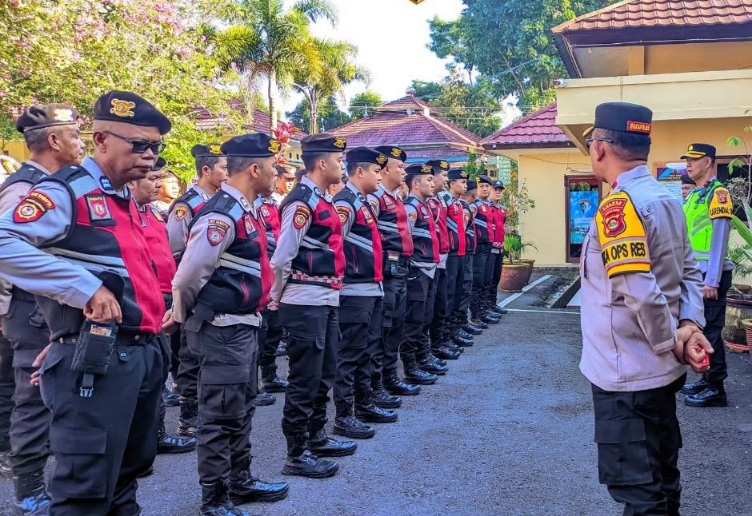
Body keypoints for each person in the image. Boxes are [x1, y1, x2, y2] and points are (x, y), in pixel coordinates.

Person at [0, 90, 170, 515]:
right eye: (140, 145)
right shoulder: (66, 192)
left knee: (126, 478)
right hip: (99, 361)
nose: (150, 156)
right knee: (85, 492)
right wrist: (83, 290)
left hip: (139, 353)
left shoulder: (126, 196)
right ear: (100, 140)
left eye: (156, 146)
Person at [580, 101, 713, 516]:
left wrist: (670, 341)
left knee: (639, 492)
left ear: (600, 148)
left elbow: (639, 289)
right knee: (662, 476)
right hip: (659, 372)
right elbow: (688, 269)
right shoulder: (667, 198)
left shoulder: (619, 207)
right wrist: (689, 325)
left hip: (628, 375)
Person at [172, 133, 289, 515]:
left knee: (241, 407)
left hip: (243, 325)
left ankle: (240, 480)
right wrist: (182, 315)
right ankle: (215, 496)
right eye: (273, 167)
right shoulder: (222, 214)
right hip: (222, 328)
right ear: (254, 169)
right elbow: (188, 275)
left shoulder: (245, 208)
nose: (277, 174)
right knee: (220, 414)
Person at [0, 103, 84, 514]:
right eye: (74, 135)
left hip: (47, 306)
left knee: (52, 392)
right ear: (53, 140)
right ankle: (29, 487)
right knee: (33, 395)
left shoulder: (58, 185)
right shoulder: (24, 189)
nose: (81, 143)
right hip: (27, 309)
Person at [270, 133, 355, 479]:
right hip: (304, 300)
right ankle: (296, 452)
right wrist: (275, 297)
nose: (342, 166)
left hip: (325, 298)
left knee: (325, 372)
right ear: (322, 163)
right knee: (305, 379)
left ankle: (316, 436)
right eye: (338, 161)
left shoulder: (319, 198)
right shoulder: (301, 202)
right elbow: (282, 257)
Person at [127, 157, 197, 458]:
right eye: (151, 178)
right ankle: (138, 443)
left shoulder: (154, 214)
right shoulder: (125, 213)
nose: (157, 183)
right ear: (132, 181)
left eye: (159, 178)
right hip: (141, 303)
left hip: (162, 300)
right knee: (141, 378)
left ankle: (155, 435)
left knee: (159, 371)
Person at [332, 147, 395, 439]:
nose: (379, 176)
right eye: (374, 171)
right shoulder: (345, 203)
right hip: (354, 291)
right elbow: (335, 245)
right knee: (350, 354)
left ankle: (364, 402)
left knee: (367, 349)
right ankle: (344, 415)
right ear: (359, 172)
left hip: (371, 288)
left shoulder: (362, 201)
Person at [166, 143, 228, 438]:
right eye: (223, 169)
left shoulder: (222, 202)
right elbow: (175, 252)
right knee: (189, 355)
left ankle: (207, 410)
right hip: (194, 288)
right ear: (206, 170)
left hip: (215, 290)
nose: (228, 174)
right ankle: (188, 415)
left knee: (208, 355)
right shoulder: (187, 206)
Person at [680, 143, 735, 407]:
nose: (689, 164)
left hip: (709, 279)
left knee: (711, 331)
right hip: (694, 276)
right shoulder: (695, 195)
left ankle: (716, 388)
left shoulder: (718, 193)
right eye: (687, 160)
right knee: (697, 330)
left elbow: (720, 239)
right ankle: (704, 378)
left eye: (694, 159)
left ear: (709, 162)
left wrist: (711, 280)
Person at [369, 145, 420, 399]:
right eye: (399, 167)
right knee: (384, 329)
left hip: (400, 270)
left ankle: (390, 378)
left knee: (396, 326)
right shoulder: (375, 198)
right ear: (385, 169)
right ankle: (377, 385)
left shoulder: (395, 196)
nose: (403, 171)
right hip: (386, 273)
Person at [400, 163, 445, 384]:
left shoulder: (425, 206)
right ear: (415, 183)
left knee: (425, 318)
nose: (433, 182)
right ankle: (411, 365)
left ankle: (422, 357)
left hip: (429, 269)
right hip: (417, 271)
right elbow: (406, 241)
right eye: (428, 180)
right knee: (414, 320)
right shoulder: (411, 207)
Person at [426, 160, 462, 361]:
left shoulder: (439, 200)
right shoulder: (429, 202)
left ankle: (442, 341)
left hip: (443, 256)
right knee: (435, 305)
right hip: (429, 260)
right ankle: (434, 346)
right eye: (444, 176)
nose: (446, 180)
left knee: (444, 301)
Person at [443, 170, 475, 348]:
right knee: (449, 297)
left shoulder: (457, 204)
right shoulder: (445, 202)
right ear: (452, 184)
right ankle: (446, 335)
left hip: (462, 253)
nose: (465, 186)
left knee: (458, 294)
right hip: (451, 255)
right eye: (462, 182)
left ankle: (455, 330)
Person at [473, 175, 504, 323]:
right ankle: (477, 315)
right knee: (479, 282)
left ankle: (485, 309)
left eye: (487, 187)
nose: (486, 189)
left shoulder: (494, 208)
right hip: (479, 248)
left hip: (491, 246)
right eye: (482, 186)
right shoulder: (475, 206)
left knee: (490, 279)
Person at [488, 181, 508, 315]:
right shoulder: (486, 207)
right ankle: (486, 307)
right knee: (487, 280)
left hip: (500, 248)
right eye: (496, 189)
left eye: (500, 190)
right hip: (489, 249)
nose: (498, 192)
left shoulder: (503, 209)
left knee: (496, 278)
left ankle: (493, 304)